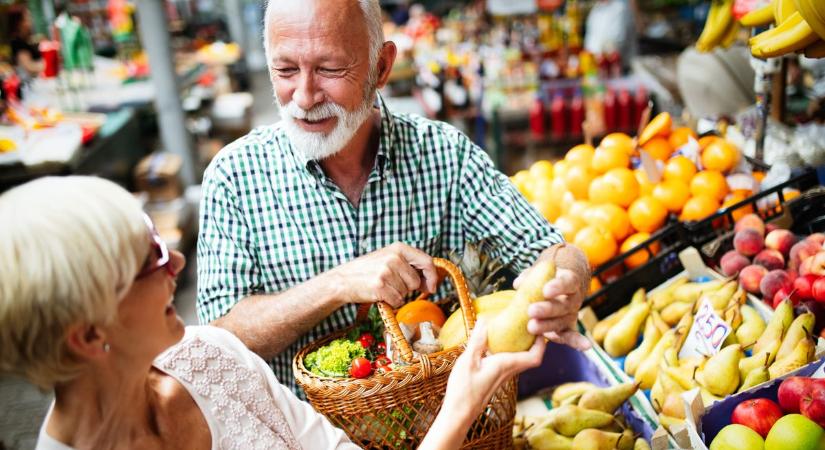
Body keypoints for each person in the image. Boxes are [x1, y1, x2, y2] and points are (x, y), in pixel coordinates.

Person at [197, 0, 591, 394]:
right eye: (284, 70)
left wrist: (568, 283)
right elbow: (218, 342)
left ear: (381, 67)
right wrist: (336, 285)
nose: (303, 96)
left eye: (330, 69)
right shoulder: (235, 176)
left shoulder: (445, 155)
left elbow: (553, 251)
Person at [0, 176, 547, 450]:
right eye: (151, 259)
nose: (179, 262)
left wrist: (458, 407)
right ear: (90, 334)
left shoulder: (211, 359)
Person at [7, 7, 44, 79]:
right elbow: (30, 67)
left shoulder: (24, 40)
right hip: (31, 86)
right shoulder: (17, 43)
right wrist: (49, 62)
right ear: (18, 23)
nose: (31, 22)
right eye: (27, 19)